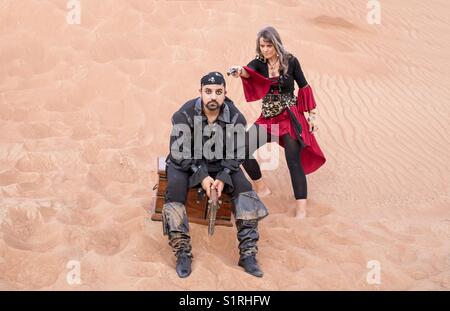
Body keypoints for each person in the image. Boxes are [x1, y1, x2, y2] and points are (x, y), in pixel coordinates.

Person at [162, 72, 268, 278]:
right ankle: (182, 251)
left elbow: (238, 152)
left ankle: (247, 253)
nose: (213, 96)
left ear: (225, 93)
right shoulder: (184, 114)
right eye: (208, 91)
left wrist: (223, 174)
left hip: (220, 163)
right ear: (200, 92)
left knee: (245, 190)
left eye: (218, 92)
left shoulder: (236, 117)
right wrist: (201, 176)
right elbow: (178, 151)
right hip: (186, 162)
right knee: (174, 188)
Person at [229, 26, 326, 219]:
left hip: (289, 117)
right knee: (241, 149)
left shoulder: (291, 61)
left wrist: (312, 117)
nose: (265, 49)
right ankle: (261, 187)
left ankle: (301, 209)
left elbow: (304, 87)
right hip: (268, 118)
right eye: (262, 46)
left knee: (293, 162)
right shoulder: (259, 62)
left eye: (268, 45)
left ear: (276, 44)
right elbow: (248, 72)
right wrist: (239, 71)